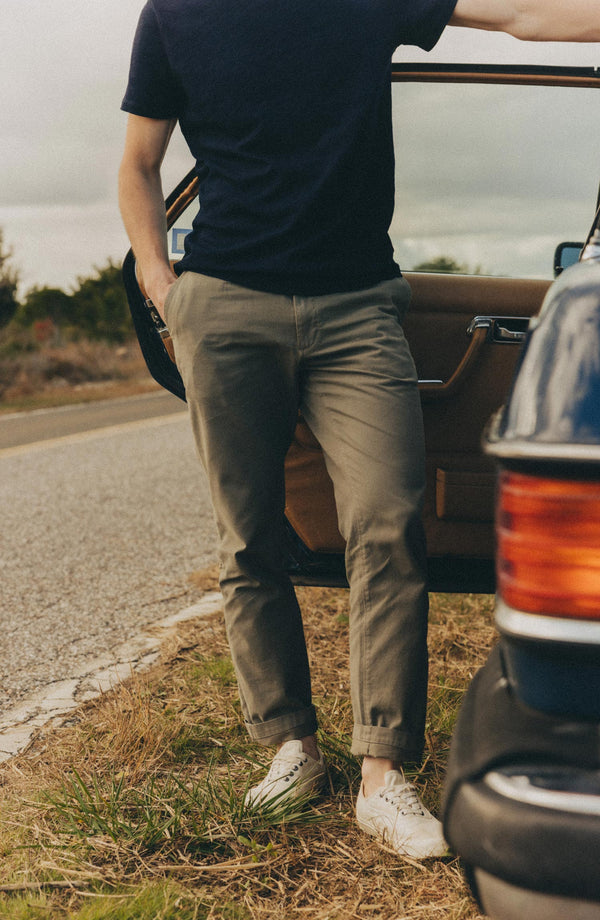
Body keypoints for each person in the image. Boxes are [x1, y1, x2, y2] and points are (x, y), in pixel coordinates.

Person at [119, 0, 600, 860]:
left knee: (386, 521)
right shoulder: (174, 15)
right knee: (249, 538)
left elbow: (524, 15)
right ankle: (289, 747)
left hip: (358, 309)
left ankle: (383, 775)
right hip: (223, 305)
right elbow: (139, 162)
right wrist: (164, 286)